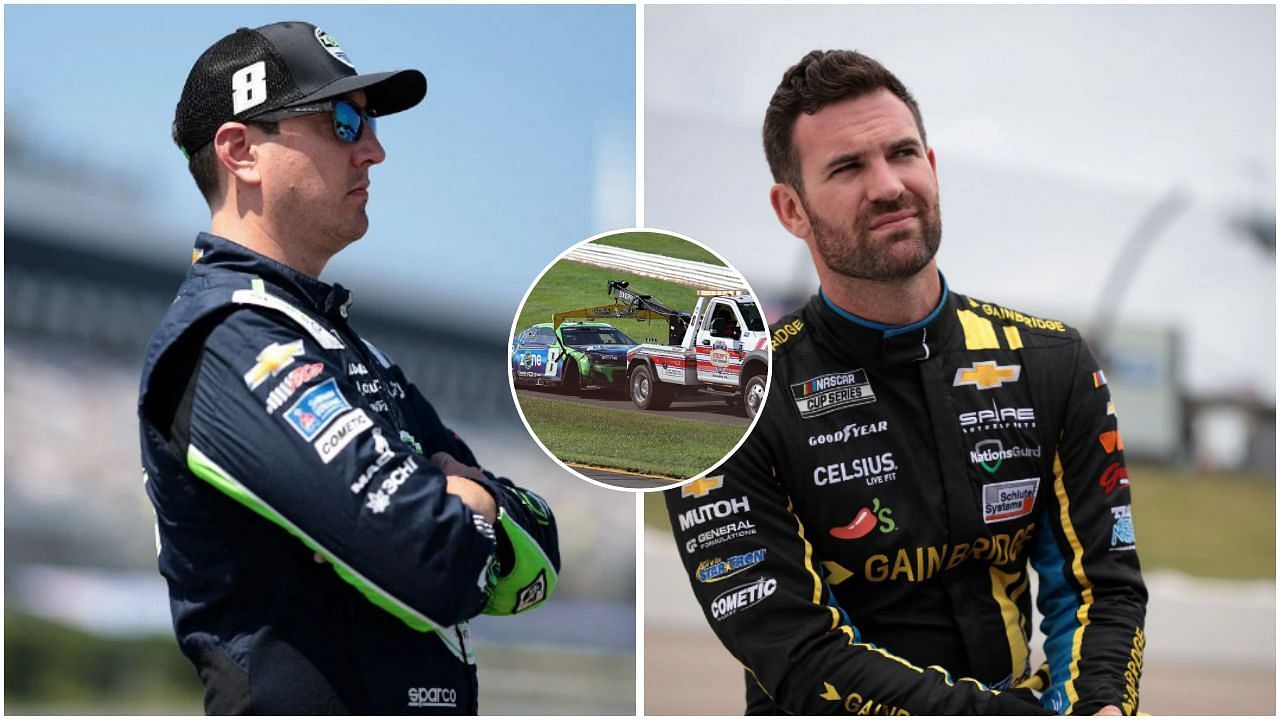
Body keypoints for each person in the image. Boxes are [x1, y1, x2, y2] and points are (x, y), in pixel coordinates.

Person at [665, 50, 1145, 716]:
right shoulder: (723, 402)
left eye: (903, 153)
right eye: (848, 167)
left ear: (934, 166)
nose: (888, 185)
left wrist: (1098, 706)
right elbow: (803, 657)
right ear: (791, 210)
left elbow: (1103, 587)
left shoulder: (1051, 361)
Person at [139, 21, 560, 714]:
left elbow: (539, 551)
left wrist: (472, 508)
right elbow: (438, 564)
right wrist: (475, 499)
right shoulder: (227, 337)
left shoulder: (339, 341)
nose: (374, 151)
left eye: (366, 124)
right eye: (341, 121)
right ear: (239, 151)